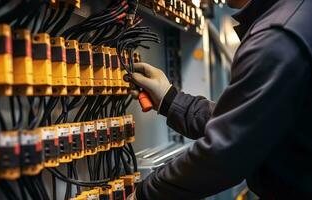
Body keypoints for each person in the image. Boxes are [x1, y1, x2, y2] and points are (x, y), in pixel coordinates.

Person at [125, 0, 312, 199]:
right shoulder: (292, 16)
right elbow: (248, 123)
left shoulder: (277, 37)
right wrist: (169, 99)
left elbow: (226, 153)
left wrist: (144, 194)